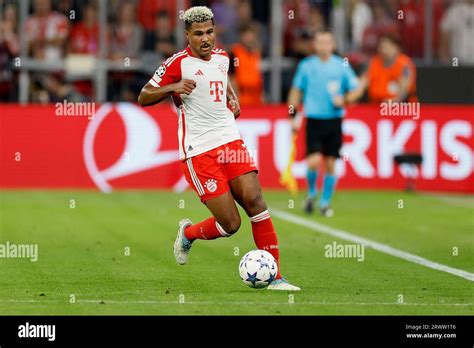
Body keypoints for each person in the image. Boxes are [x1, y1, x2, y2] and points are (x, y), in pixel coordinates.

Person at [138, 6, 300, 291]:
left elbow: (222, 81)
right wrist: (173, 86)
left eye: (210, 32)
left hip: (230, 140)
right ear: (187, 35)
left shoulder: (223, 57)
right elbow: (144, 96)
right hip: (199, 150)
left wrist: (233, 98)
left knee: (256, 201)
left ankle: (275, 276)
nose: (206, 39)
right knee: (230, 224)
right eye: (198, 34)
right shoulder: (177, 63)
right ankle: (188, 233)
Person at [287, 30, 362, 216]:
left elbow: (356, 89)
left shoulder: (341, 65)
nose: (323, 45)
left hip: (334, 120)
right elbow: (296, 91)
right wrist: (292, 114)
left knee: (330, 162)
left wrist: (344, 99)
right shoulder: (306, 65)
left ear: (333, 44)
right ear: (315, 45)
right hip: (314, 119)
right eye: (320, 42)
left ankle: (325, 202)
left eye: (327, 42)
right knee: (313, 161)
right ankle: (312, 193)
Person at [362, 33, 417, 103]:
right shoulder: (373, 63)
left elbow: (404, 89)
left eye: (387, 47)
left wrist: (394, 101)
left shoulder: (405, 65)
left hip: (401, 107)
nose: (384, 51)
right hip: (375, 106)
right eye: (381, 47)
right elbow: (362, 84)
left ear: (397, 48)